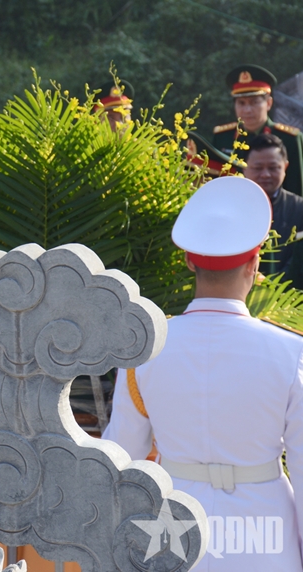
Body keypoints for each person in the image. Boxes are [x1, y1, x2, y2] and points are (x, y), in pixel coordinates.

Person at [103, 176, 303, 571]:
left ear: (188, 260)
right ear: (256, 260)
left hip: (171, 526)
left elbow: (121, 457)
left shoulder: (147, 348)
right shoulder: (290, 351)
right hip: (264, 532)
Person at [213, 64, 303, 196]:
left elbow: (297, 188)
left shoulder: (289, 138)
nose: (247, 110)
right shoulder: (223, 137)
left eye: (254, 102)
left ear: (268, 103)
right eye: (241, 103)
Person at [244, 133, 303, 278]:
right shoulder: (231, 207)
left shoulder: (299, 209)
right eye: (258, 168)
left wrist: (268, 288)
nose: (265, 175)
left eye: (273, 168)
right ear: (244, 168)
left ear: (285, 167)